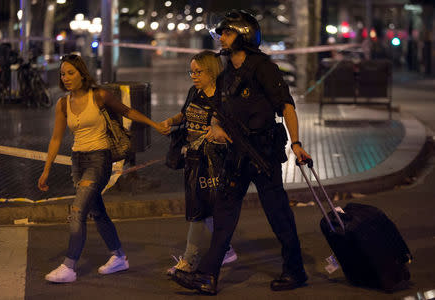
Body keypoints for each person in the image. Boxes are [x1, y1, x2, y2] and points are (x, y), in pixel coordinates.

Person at [172, 10, 312, 295]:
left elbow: (286, 106)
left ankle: (295, 271)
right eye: (221, 33)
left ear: (243, 35)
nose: (221, 38)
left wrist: (296, 143)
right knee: (223, 214)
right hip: (236, 155)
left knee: (278, 213)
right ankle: (208, 276)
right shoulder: (227, 72)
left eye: (227, 33)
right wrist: (215, 126)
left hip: (263, 153)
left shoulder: (263, 68)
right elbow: (218, 110)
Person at [38, 54, 169, 283]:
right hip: (77, 162)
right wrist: (46, 169)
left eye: (71, 72)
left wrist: (154, 124)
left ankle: (69, 266)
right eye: (62, 74)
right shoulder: (63, 103)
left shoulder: (98, 96)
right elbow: (56, 139)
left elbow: (128, 111)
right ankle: (119, 257)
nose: (66, 78)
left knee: (78, 210)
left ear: (82, 73)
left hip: (99, 159)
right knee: (97, 211)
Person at [161, 50, 237, 276]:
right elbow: (185, 115)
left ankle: (188, 260)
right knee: (207, 210)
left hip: (215, 161)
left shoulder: (223, 97)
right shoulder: (194, 92)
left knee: (198, 211)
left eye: (198, 71)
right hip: (194, 159)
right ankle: (227, 249)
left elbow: (231, 131)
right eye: (191, 71)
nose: (193, 76)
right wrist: (170, 121)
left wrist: (216, 132)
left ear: (212, 72)